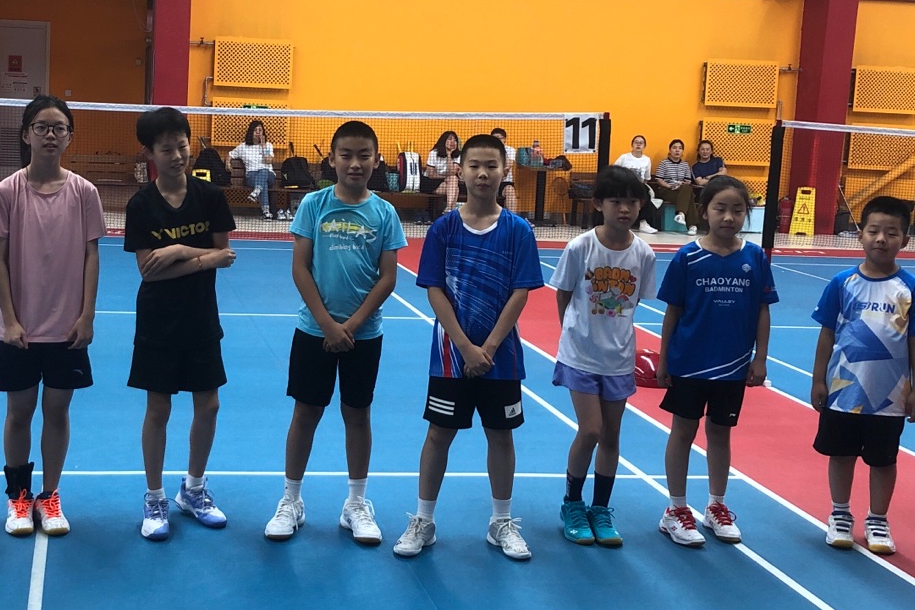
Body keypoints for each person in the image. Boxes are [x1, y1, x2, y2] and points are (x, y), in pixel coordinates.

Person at [394, 134, 544, 561]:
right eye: (474, 165)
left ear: (504, 172)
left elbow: (520, 292)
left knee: (500, 435)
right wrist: (464, 347)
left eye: (491, 165)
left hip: (501, 358)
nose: (483, 173)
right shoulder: (443, 228)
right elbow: (434, 289)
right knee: (438, 433)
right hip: (450, 357)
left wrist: (488, 348)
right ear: (460, 171)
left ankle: (501, 522)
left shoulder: (518, 231)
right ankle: (424, 520)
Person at [265, 120, 406, 546]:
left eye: (364, 155)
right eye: (346, 155)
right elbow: (300, 268)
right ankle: (291, 500)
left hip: (364, 335)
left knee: (357, 415)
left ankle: (356, 503)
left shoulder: (385, 212)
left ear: (377, 160)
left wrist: (352, 325)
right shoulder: (314, 205)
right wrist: (327, 324)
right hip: (314, 331)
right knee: (305, 413)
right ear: (331, 159)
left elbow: (388, 278)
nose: (355, 163)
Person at [0, 94, 104, 538]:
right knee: (19, 412)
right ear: (26, 134)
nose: (51, 135)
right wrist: (11, 319)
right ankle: (18, 497)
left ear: (69, 137)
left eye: (59, 128)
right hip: (18, 329)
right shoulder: (5, 193)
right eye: (42, 127)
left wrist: (87, 315)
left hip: (67, 329)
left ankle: (50, 496)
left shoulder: (85, 193)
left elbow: (92, 256)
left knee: (57, 411)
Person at [126, 107, 237, 541]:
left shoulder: (210, 197)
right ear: (150, 153)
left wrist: (176, 251)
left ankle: (193, 489)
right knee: (159, 409)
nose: (177, 156)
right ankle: (155, 497)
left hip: (201, 317)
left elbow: (225, 255)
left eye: (182, 146)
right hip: (158, 320)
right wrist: (202, 256)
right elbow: (148, 272)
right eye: (167, 149)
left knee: (209, 405)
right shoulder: (141, 205)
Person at [809, 196, 915, 557]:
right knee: (841, 454)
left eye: (891, 233)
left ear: (905, 240)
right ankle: (840, 514)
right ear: (860, 235)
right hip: (843, 391)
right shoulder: (842, 283)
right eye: (874, 231)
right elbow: (826, 334)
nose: (881, 239)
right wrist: (818, 379)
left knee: (883, 460)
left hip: (890, 397)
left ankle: (878, 519)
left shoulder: (912, 289)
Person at [655, 174, 777, 548]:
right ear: (704, 211)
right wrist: (664, 360)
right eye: (720, 208)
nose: (728, 217)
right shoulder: (687, 257)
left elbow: (762, 310)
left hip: (733, 365)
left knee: (720, 434)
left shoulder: (754, 257)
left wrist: (760, 359)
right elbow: (673, 312)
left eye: (737, 210)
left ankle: (716, 506)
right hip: (689, 362)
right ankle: (676, 509)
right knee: (683, 431)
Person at [550, 165, 657, 550]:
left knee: (611, 435)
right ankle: (572, 504)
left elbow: (634, 302)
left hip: (618, 359)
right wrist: (573, 333)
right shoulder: (581, 247)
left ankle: (600, 509)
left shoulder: (643, 253)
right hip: (580, 354)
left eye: (632, 202)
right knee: (591, 429)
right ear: (598, 204)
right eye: (615, 201)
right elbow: (563, 294)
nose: (624, 209)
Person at [230, 119, 284, 220]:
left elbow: (268, 161)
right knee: (263, 184)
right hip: (251, 176)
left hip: (269, 175)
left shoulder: (268, 145)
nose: (258, 132)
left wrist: (263, 147)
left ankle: (256, 192)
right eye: (255, 130)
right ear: (251, 132)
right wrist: (228, 164)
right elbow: (230, 155)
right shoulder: (243, 147)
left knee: (264, 169)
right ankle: (266, 212)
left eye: (260, 130)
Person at [614, 134, 662, 231]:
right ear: (632, 145)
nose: (638, 144)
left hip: (639, 186)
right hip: (624, 185)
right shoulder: (624, 157)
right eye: (636, 142)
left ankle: (643, 222)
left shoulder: (646, 160)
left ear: (644, 146)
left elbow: (646, 178)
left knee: (646, 193)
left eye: (641, 143)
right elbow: (614, 171)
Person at [653, 139, 697, 232]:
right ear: (670, 150)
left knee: (687, 189)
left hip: (680, 189)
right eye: (674, 148)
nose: (677, 150)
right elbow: (659, 179)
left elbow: (688, 181)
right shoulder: (663, 163)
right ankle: (692, 225)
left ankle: (681, 215)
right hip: (667, 190)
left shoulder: (685, 165)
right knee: (689, 197)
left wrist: (680, 185)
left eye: (680, 148)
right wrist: (668, 186)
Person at [422, 130, 461, 216]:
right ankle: (451, 211)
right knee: (455, 188)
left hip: (447, 182)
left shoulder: (457, 155)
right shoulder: (434, 153)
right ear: (443, 141)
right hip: (430, 182)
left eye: (455, 140)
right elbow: (431, 174)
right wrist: (445, 177)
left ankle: (448, 208)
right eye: (450, 139)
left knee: (454, 181)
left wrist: (449, 155)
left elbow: (452, 172)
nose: (453, 142)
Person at [689, 139, 726, 205]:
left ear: (711, 151)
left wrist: (709, 177)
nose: (705, 152)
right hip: (703, 191)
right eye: (702, 149)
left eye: (707, 149)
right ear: (698, 151)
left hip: (719, 188)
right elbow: (700, 182)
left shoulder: (718, 161)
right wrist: (716, 177)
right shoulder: (695, 167)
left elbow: (723, 173)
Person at [492, 126, 518, 212]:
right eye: (495, 138)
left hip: (505, 183)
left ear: (504, 139)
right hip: (490, 182)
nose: (497, 141)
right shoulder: (486, 150)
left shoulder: (510, 150)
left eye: (500, 138)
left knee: (510, 190)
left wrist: (502, 150)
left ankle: (512, 218)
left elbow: (508, 165)